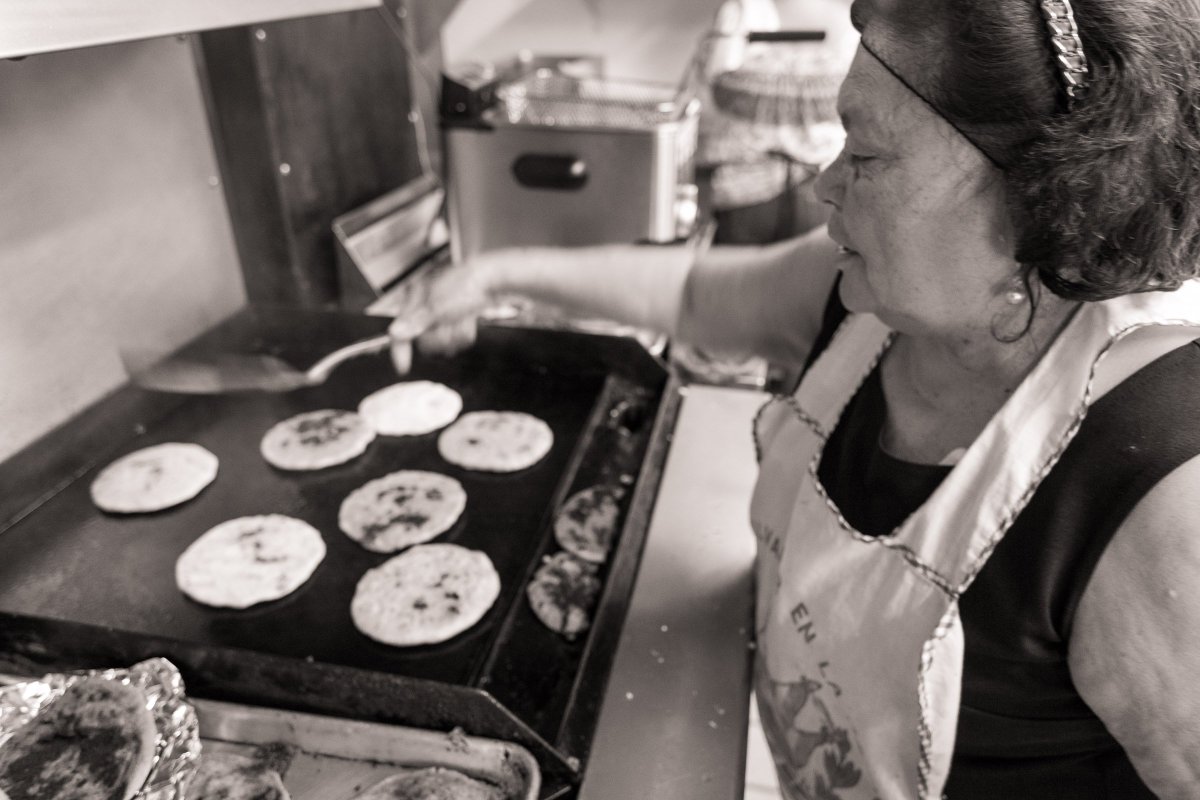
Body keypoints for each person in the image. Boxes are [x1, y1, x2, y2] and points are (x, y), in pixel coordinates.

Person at [386, 0, 1200, 796]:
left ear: (1046, 201)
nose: (822, 182)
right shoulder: (867, 294)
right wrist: (492, 275)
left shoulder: (1156, 499)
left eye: (868, 155)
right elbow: (700, 293)